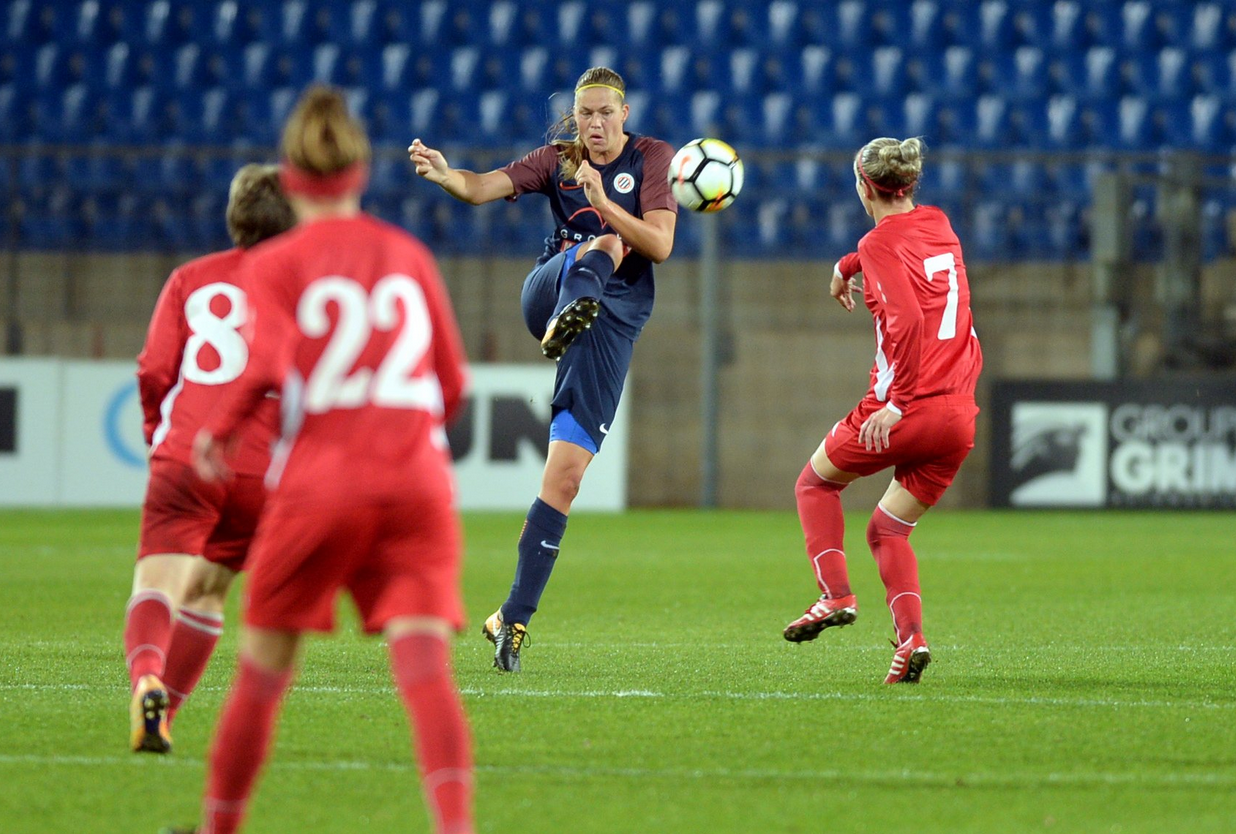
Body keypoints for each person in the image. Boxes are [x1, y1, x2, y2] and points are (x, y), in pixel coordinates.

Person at [169, 85, 474, 834]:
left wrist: (218, 432)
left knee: (264, 670)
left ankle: (218, 826)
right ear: (361, 172)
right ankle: (455, 826)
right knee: (425, 668)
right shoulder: (406, 254)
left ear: (293, 177)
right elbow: (453, 384)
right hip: (416, 486)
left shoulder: (277, 263)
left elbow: (265, 367)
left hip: (319, 486)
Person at [409, 66, 678, 672]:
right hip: (549, 291)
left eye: (607, 113)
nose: (596, 124)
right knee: (603, 245)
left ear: (625, 114)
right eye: (586, 114)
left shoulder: (653, 157)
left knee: (565, 479)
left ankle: (512, 620)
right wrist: (446, 173)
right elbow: (482, 187)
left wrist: (605, 201)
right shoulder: (558, 160)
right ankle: (566, 314)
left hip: (610, 327)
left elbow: (660, 244)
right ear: (575, 118)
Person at [781, 137, 983, 685]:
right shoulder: (939, 222)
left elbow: (909, 321)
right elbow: (892, 251)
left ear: (864, 187)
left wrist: (897, 404)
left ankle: (835, 594)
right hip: (958, 415)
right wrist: (847, 264)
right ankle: (911, 640)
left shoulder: (878, 245)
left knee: (815, 486)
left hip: (903, 412)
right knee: (888, 529)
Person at [124, 163, 294, 754]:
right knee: (207, 593)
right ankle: (164, 712)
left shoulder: (191, 279)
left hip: (189, 452)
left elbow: (152, 370)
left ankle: (146, 678)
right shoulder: (302, 290)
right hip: (260, 470)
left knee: (158, 583)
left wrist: (158, 435)